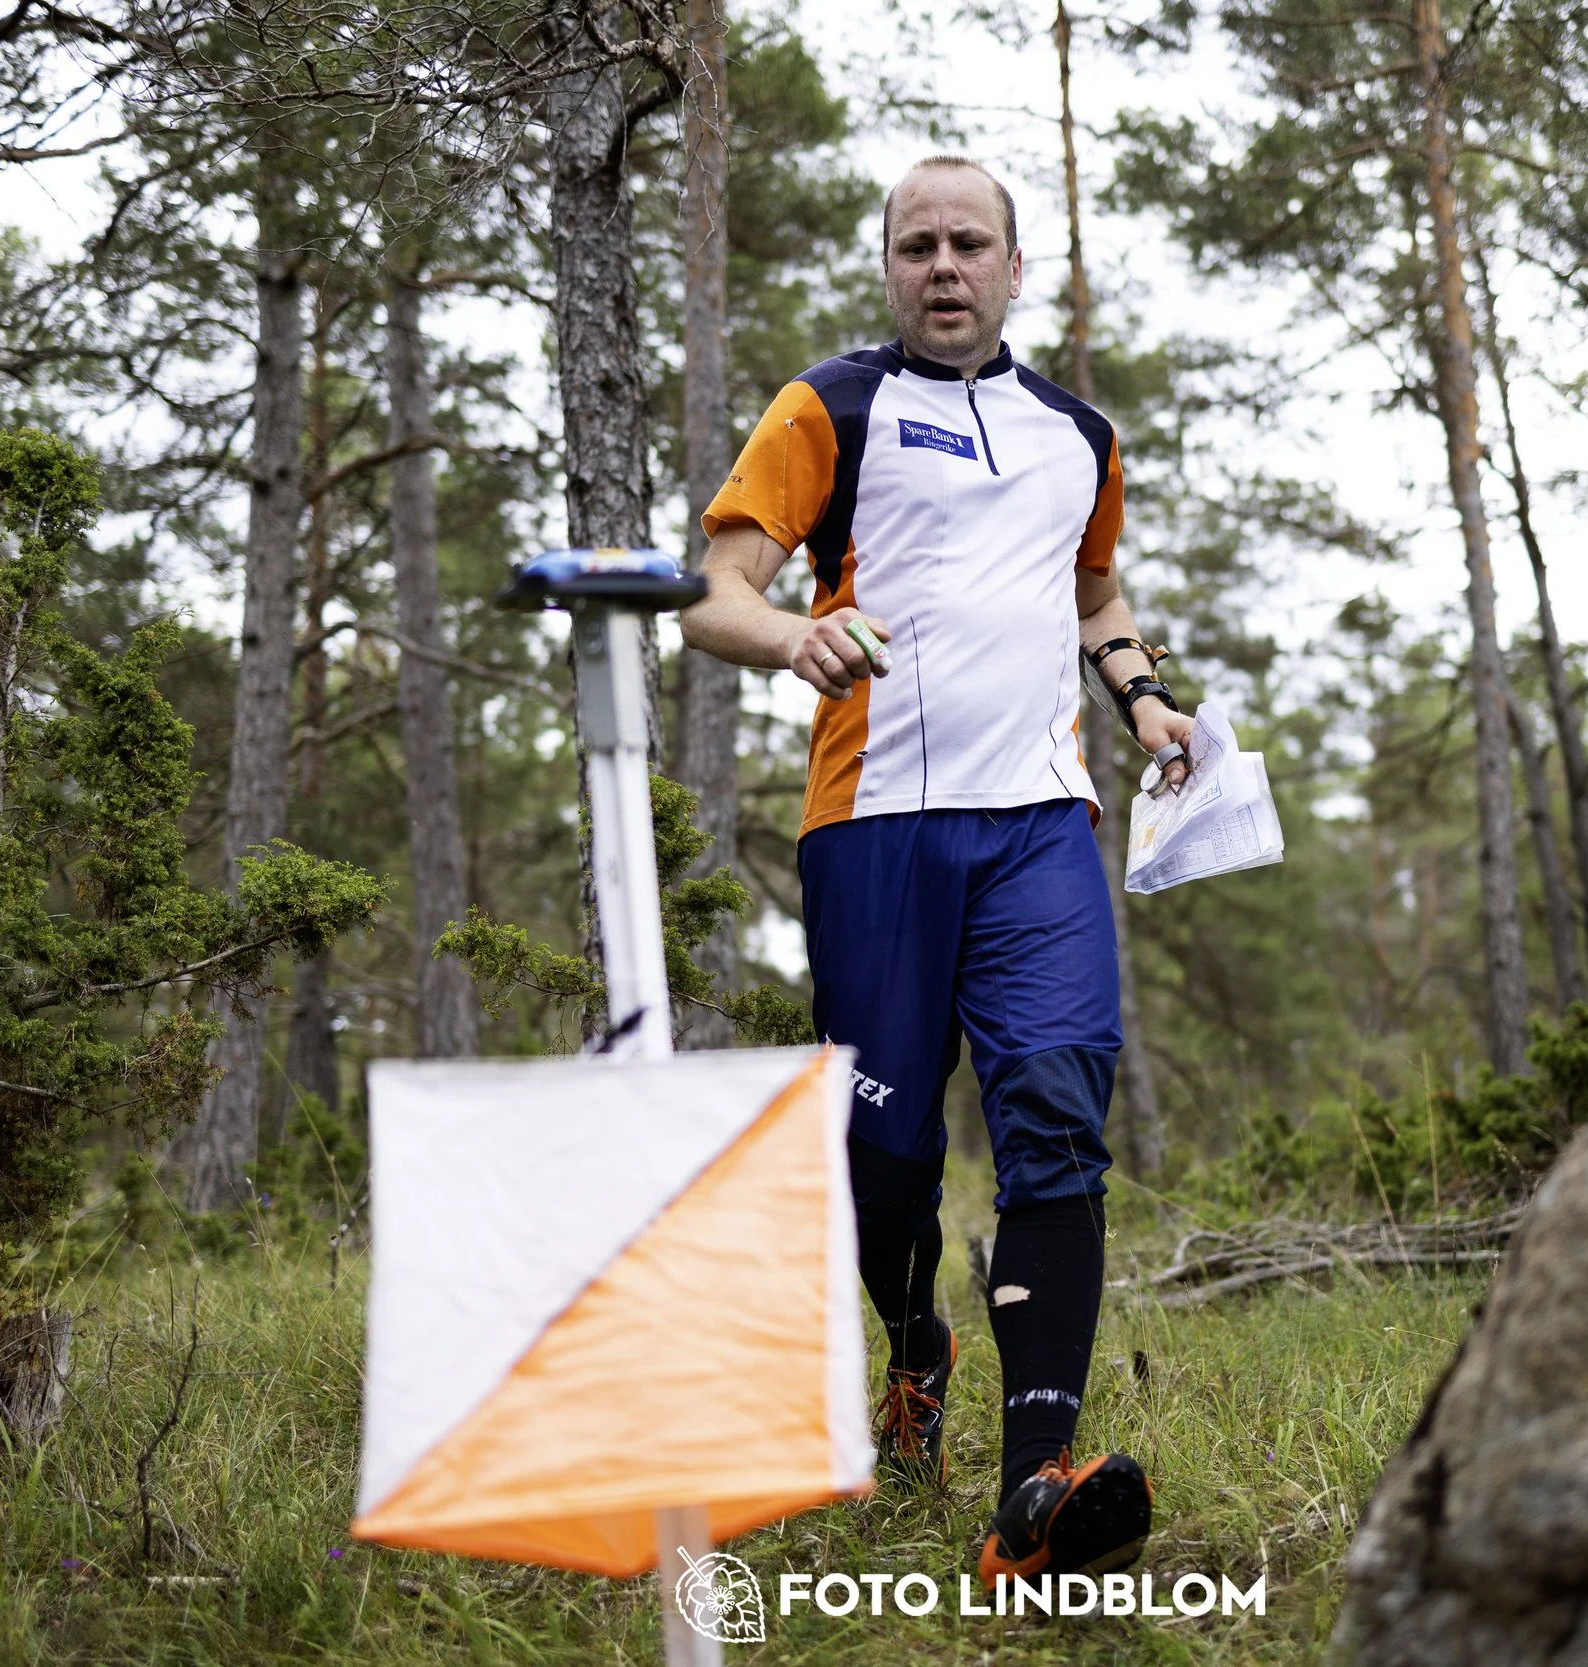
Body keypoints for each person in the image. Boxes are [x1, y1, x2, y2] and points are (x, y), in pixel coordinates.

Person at [679, 154, 1192, 1582]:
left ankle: (1038, 1483)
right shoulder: (831, 405)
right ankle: (917, 1349)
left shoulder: (1077, 433)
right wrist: (794, 639)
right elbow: (714, 591)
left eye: (972, 244)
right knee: (883, 1160)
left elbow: (1093, 586)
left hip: (1036, 821)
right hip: (874, 831)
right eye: (920, 246)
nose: (946, 267)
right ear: (890, 266)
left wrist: (1143, 697)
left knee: (1053, 1102)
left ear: (1016, 269)